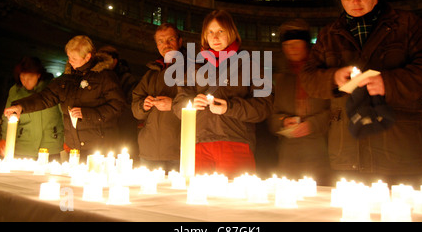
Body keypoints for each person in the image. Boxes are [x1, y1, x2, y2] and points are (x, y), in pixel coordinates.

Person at [301, 0, 422, 187]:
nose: (354, 2)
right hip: (348, 155)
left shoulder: (407, 25)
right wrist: (334, 78)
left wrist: (389, 82)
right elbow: (308, 77)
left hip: (401, 153)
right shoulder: (329, 35)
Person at [172, 10, 273, 179]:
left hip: (235, 143)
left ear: (231, 33)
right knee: (197, 201)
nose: (215, 37)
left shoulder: (250, 64)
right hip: (198, 144)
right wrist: (191, 104)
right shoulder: (194, 66)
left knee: (231, 202)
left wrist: (230, 107)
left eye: (220, 31)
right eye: (210, 32)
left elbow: (265, 106)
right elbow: (178, 104)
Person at [3, 35, 126, 162]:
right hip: (75, 147)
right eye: (68, 57)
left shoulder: (105, 77)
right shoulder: (67, 78)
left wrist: (87, 114)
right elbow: (45, 97)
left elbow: (118, 106)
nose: (70, 61)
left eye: (74, 58)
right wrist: (20, 106)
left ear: (87, 57)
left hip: (99, 147)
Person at [268, 20, 331, 185]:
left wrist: (313, 124)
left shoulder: (322, 74)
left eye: (296, 44)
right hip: (288, 156)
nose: (292, 49)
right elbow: (271, 116)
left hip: (319, 154)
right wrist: (283, 122)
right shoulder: (280, 79)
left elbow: (335, 111)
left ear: (306, 45)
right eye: (287, 45)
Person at [132, 23, 184, 171]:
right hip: (149, 152)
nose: (165, 45)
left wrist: (173, 105)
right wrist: (143, 105)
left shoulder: (192, 70)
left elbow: (201, 104)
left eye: (170, 39)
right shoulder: (151, 73)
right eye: (160, 41)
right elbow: (135, 109)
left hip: (178, 152)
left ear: (180, 42)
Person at [0, 57, 64, 160]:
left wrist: (67, 140)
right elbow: (7, 117)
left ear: (38, 75)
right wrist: (4, 139)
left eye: (29, 78)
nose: (25, 81)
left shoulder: (52, 90)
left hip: (50, 147)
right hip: (23, 148)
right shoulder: (15, 92)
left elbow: (64, 116)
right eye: (22, 78)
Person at [97, 45, 139, 161]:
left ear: (114, 61)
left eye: (104, 60)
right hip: (104, 129)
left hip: (123, 129)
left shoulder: (126, 79)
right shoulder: (98, 78)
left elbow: (129, 105)